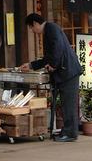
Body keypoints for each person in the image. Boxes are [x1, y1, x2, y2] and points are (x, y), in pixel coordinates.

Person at [20, 13, 81, 142]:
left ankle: (70, 134)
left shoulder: (51, 29)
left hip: (68, 72)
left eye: (31, 28)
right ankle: (67, 132)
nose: (32, 31)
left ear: (35, 24)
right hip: (65, 72)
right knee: (66, 104)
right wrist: (31, 65)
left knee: (68, 104)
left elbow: (57, 49)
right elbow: (49, 56)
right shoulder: (49, 30)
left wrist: (53, 64)